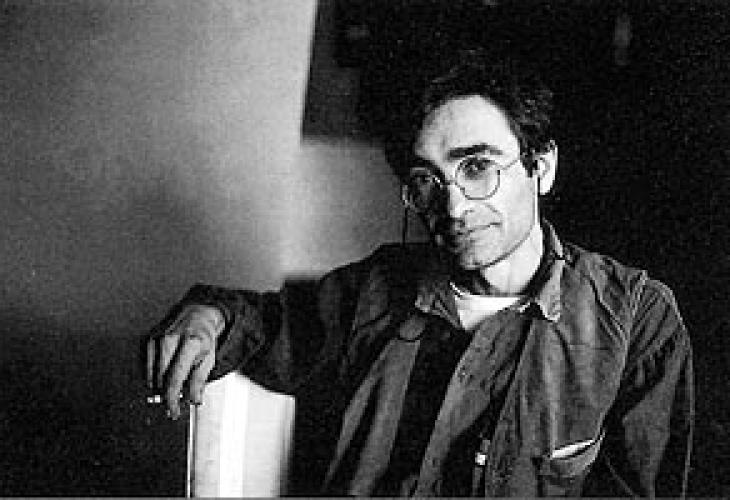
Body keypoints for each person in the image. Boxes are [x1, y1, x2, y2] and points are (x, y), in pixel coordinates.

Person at [144, 52, 693, 497]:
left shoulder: (637, 320)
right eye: (428, 180)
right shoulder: (374, 290)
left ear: (541, 167)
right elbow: (265, 324)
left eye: (477, 167)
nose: (453, 208)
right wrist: (209, 316)